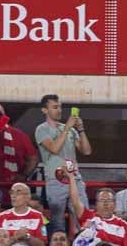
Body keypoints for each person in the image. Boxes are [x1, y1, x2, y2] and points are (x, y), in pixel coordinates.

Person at [36, 95, 91, 234]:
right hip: (55, 180)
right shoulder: (42, 129)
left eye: (60, 107)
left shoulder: (71, 129)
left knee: (84, 218)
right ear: (44, 110)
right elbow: (54, 148)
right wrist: (67, 128)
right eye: (55, 107)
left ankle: (84, 244)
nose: (59, 110)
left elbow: (86, 151)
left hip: (75, 178)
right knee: (57, 221)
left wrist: (81, 129)